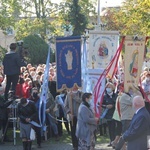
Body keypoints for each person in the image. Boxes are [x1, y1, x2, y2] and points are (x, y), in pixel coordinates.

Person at [65, 85, 83, 150]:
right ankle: (74, 145)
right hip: (72, 116)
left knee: (80, 131)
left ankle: (80, 144)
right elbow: (66, 105)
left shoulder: (81, 93)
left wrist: (74, 97)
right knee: (73, 131)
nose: (74, 87)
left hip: (80, 116)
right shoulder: (68, 94)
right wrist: (69, 113)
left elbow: (82, 102)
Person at [102, 82, 117, 146]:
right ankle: (111, 140)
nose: (108, 88)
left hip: (115, 114)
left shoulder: (116, 96)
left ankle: (115, 141)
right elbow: (101, 104)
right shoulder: (105, 96)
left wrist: (113, 105)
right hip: (108, 114)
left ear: (112, 88)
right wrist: (106, 106)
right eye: (107, 87)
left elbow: (118, 103)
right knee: (110, 128)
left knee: (114, 128)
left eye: (109, 87)